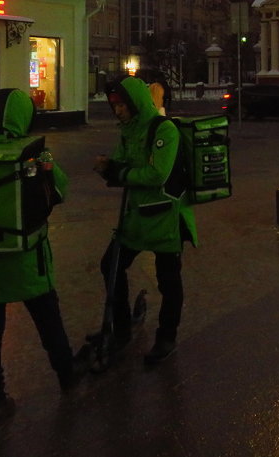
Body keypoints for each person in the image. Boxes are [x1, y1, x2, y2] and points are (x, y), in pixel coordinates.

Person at [0, 88, 83, 429]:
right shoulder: (31, 152)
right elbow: (61, 190)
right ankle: (67, 374)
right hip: (27, 257)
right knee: (48, 319)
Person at [94, 77, 197, 366]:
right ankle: (122, 326)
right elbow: (120, 162)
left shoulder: (164, 129)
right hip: (136, 217)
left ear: (136, 102)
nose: (117, 110)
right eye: (114, 105)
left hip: (165, 215)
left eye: (121, 105)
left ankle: (166, 336)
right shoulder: (129, 130)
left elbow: (156, 175)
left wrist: (120, 173)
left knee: (168, 281)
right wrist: (109, 168)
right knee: (111, 265)